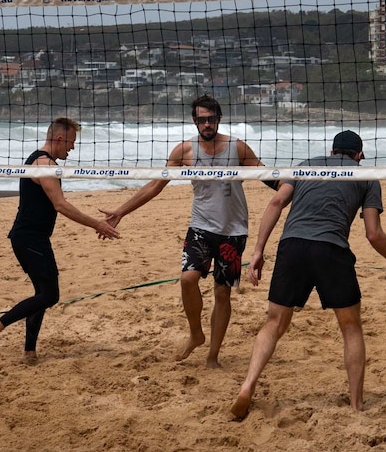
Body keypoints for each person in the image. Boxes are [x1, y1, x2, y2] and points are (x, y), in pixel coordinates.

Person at [230, 130, 386, 420]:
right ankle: (356, 405)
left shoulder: (305, 165)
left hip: (292, 246)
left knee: (274, 322)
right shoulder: (366, 176)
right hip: (331, 250)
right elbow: (373, 234)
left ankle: (247, 386)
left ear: (332, 150)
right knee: (350, 327)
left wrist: (258, 251)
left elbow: (275, 203)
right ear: (359, 156)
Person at [100, 95, 272, 369]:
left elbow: (267, 176)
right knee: (187, 279)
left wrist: (300, 186)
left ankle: (213, 356)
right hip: (201, 226)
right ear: (194, 121)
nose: (207, 124)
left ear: (219, 118)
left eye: (211, 118)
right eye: (202, 119)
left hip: (234, 230)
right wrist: (121, 211)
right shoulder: (184, 151)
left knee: (222, 293)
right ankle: (196, 334)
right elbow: (155, 186)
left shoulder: (237, 148)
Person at [0, 117, 121, 363]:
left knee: (42, 293)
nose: (72, 148)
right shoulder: (43, 163)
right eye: (71, 142)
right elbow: (60, 204)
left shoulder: (43, 161)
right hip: (29, 238)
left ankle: (29, 352)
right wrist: (97, 224)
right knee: (49, 295)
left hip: (32, 237)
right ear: (58, 138)